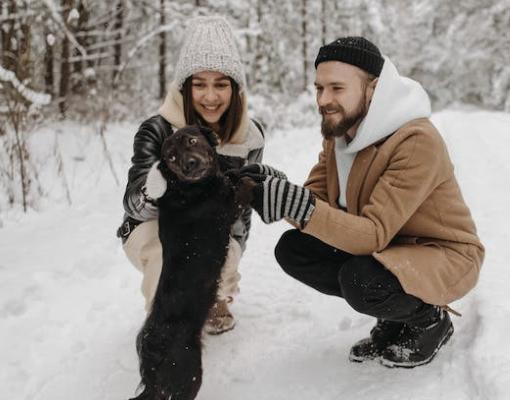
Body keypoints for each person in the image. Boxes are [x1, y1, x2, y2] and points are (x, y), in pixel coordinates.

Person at [241, 37, 485, 368]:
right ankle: (393, 314)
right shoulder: (340, 136)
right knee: (295, 249)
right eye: (319, 88)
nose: (324, 100)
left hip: (440, 254)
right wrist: (275, 187)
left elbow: (372, 235)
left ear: (373, 89)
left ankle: (429, 320)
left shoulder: (415, 140)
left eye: (337, 88)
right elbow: (315, 202)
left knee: (362, 279)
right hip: (389, 249)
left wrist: (296, 204)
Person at [117, 16, 265, 334]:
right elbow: (132, 204)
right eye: (199, 84)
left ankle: (213, 296)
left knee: (216, 253)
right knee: (169, 254)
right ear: (185, 87)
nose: (210, 96)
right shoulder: (157, 129)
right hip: (153, 228)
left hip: (211, 227)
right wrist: (158, 184)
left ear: (235, 88)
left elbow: (241, 215)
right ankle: (166, 325)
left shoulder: (249, 137)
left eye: (220, 84)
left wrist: (231, 256)